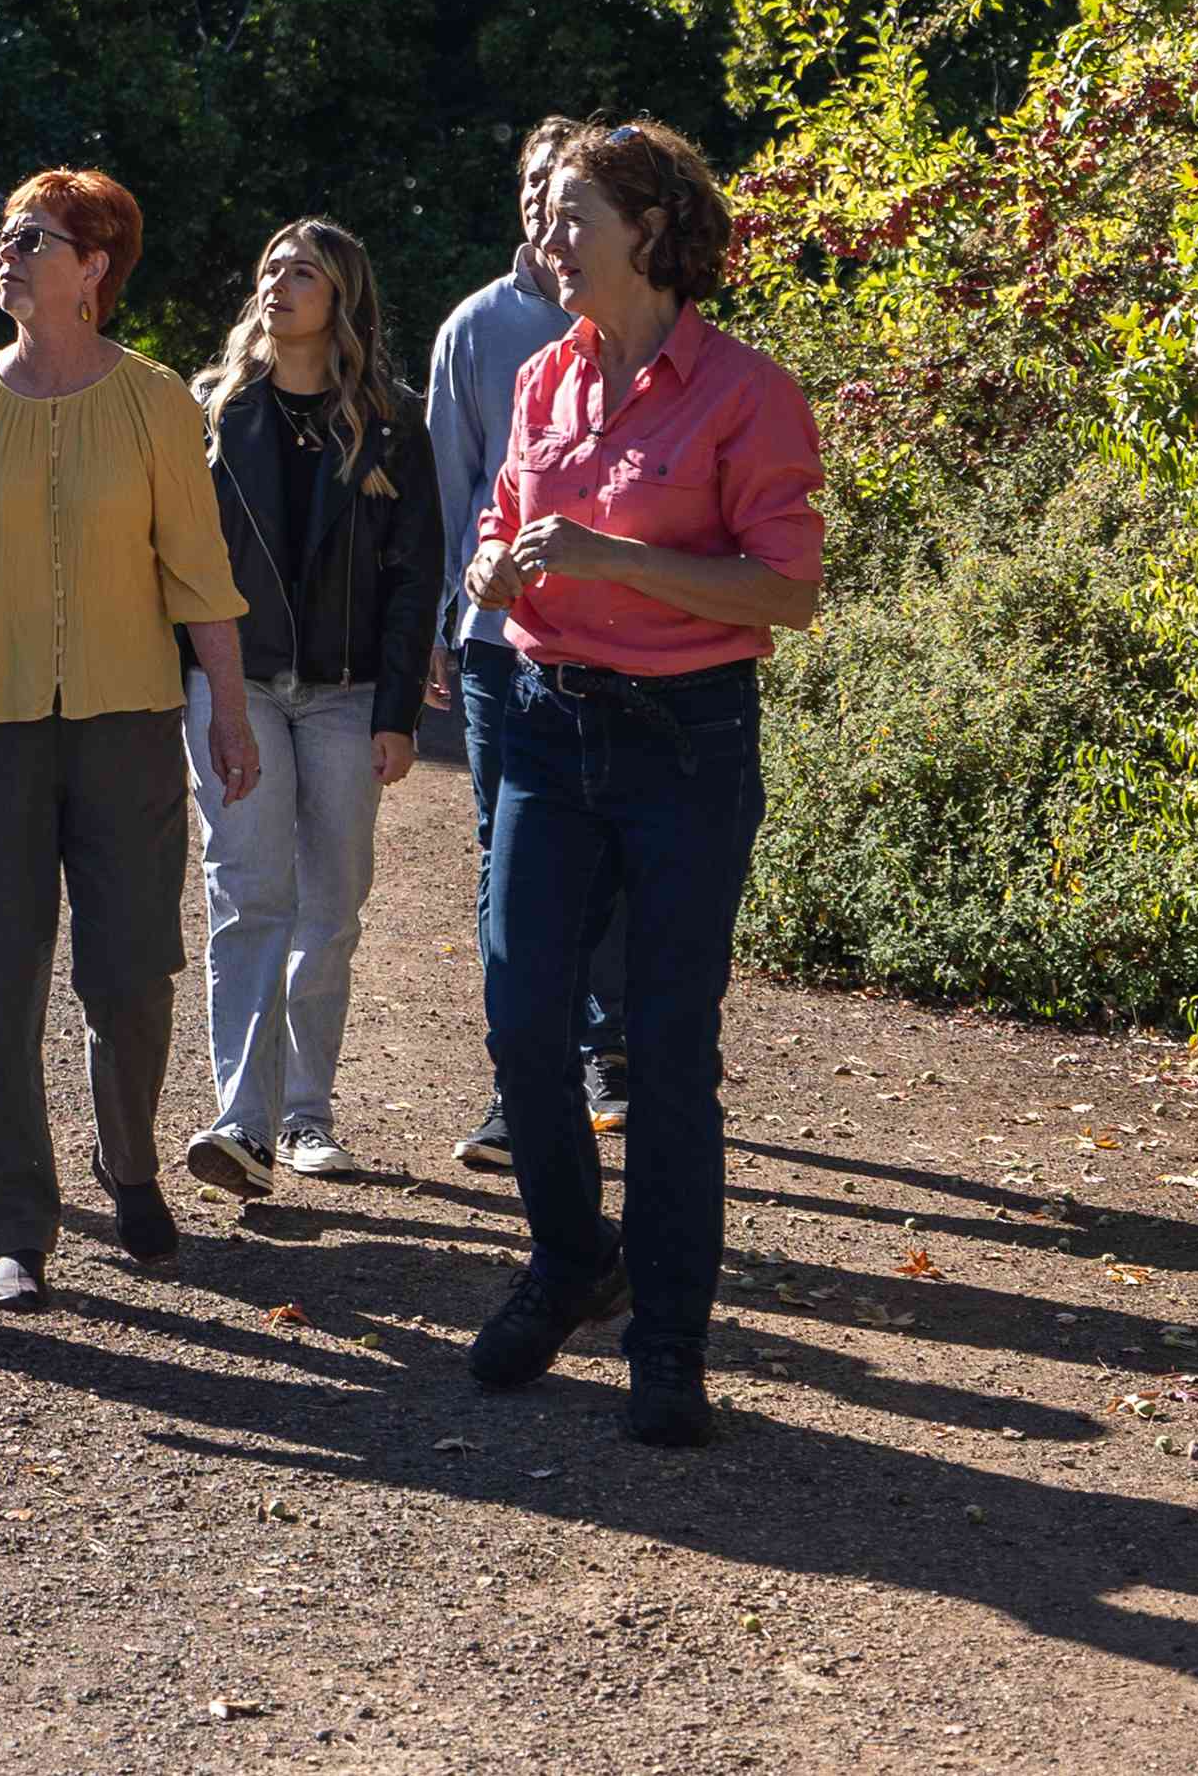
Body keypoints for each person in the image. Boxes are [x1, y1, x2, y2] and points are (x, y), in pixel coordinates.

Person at [454, 118, 825, 1446]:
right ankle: (571, 1260)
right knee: (518, 1021)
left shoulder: (746, 393)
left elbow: (788, 590)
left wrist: (611, 560)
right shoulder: (546, 375)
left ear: (651, 234)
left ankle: (669, 1342)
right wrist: (495, 567)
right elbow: (507, 519)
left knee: (669, 1057)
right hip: (547, 724)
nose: (546, 241)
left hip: (687, 741)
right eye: (545, 216)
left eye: (570, 219)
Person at [0, 168, 262, 1314]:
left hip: (127, 722)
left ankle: (130, 1162)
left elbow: (199, 573)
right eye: (2, 235)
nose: (6, 251)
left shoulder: (153, 401)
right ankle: (14, 1227)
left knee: (131, 972)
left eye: (32, 236)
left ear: (93, 267)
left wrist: (229, 711)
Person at [171, 220, 437, 1197]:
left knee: (327, 911)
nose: (280, 281)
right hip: (233, 684)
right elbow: (173, 558)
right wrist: (180, 685)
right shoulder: (211, 409)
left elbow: (416, 576)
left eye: (305, 270)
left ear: (342, 297)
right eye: (271, 265)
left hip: (347, 695)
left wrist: (398, 711)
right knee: (249, 897)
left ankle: (307, 1116)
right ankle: (243, 1121)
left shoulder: (393, 421)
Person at [425, 117, 626, 1174]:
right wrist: (437, 627)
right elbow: (453, 492)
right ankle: (522, 1081)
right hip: (501, 640)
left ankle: (612, 1050)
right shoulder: (477, 328)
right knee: (509, 859)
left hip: (620, 639)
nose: (550, 207)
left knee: (613, 853)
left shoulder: (642, 326)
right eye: (535, 186)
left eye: (569, 187)